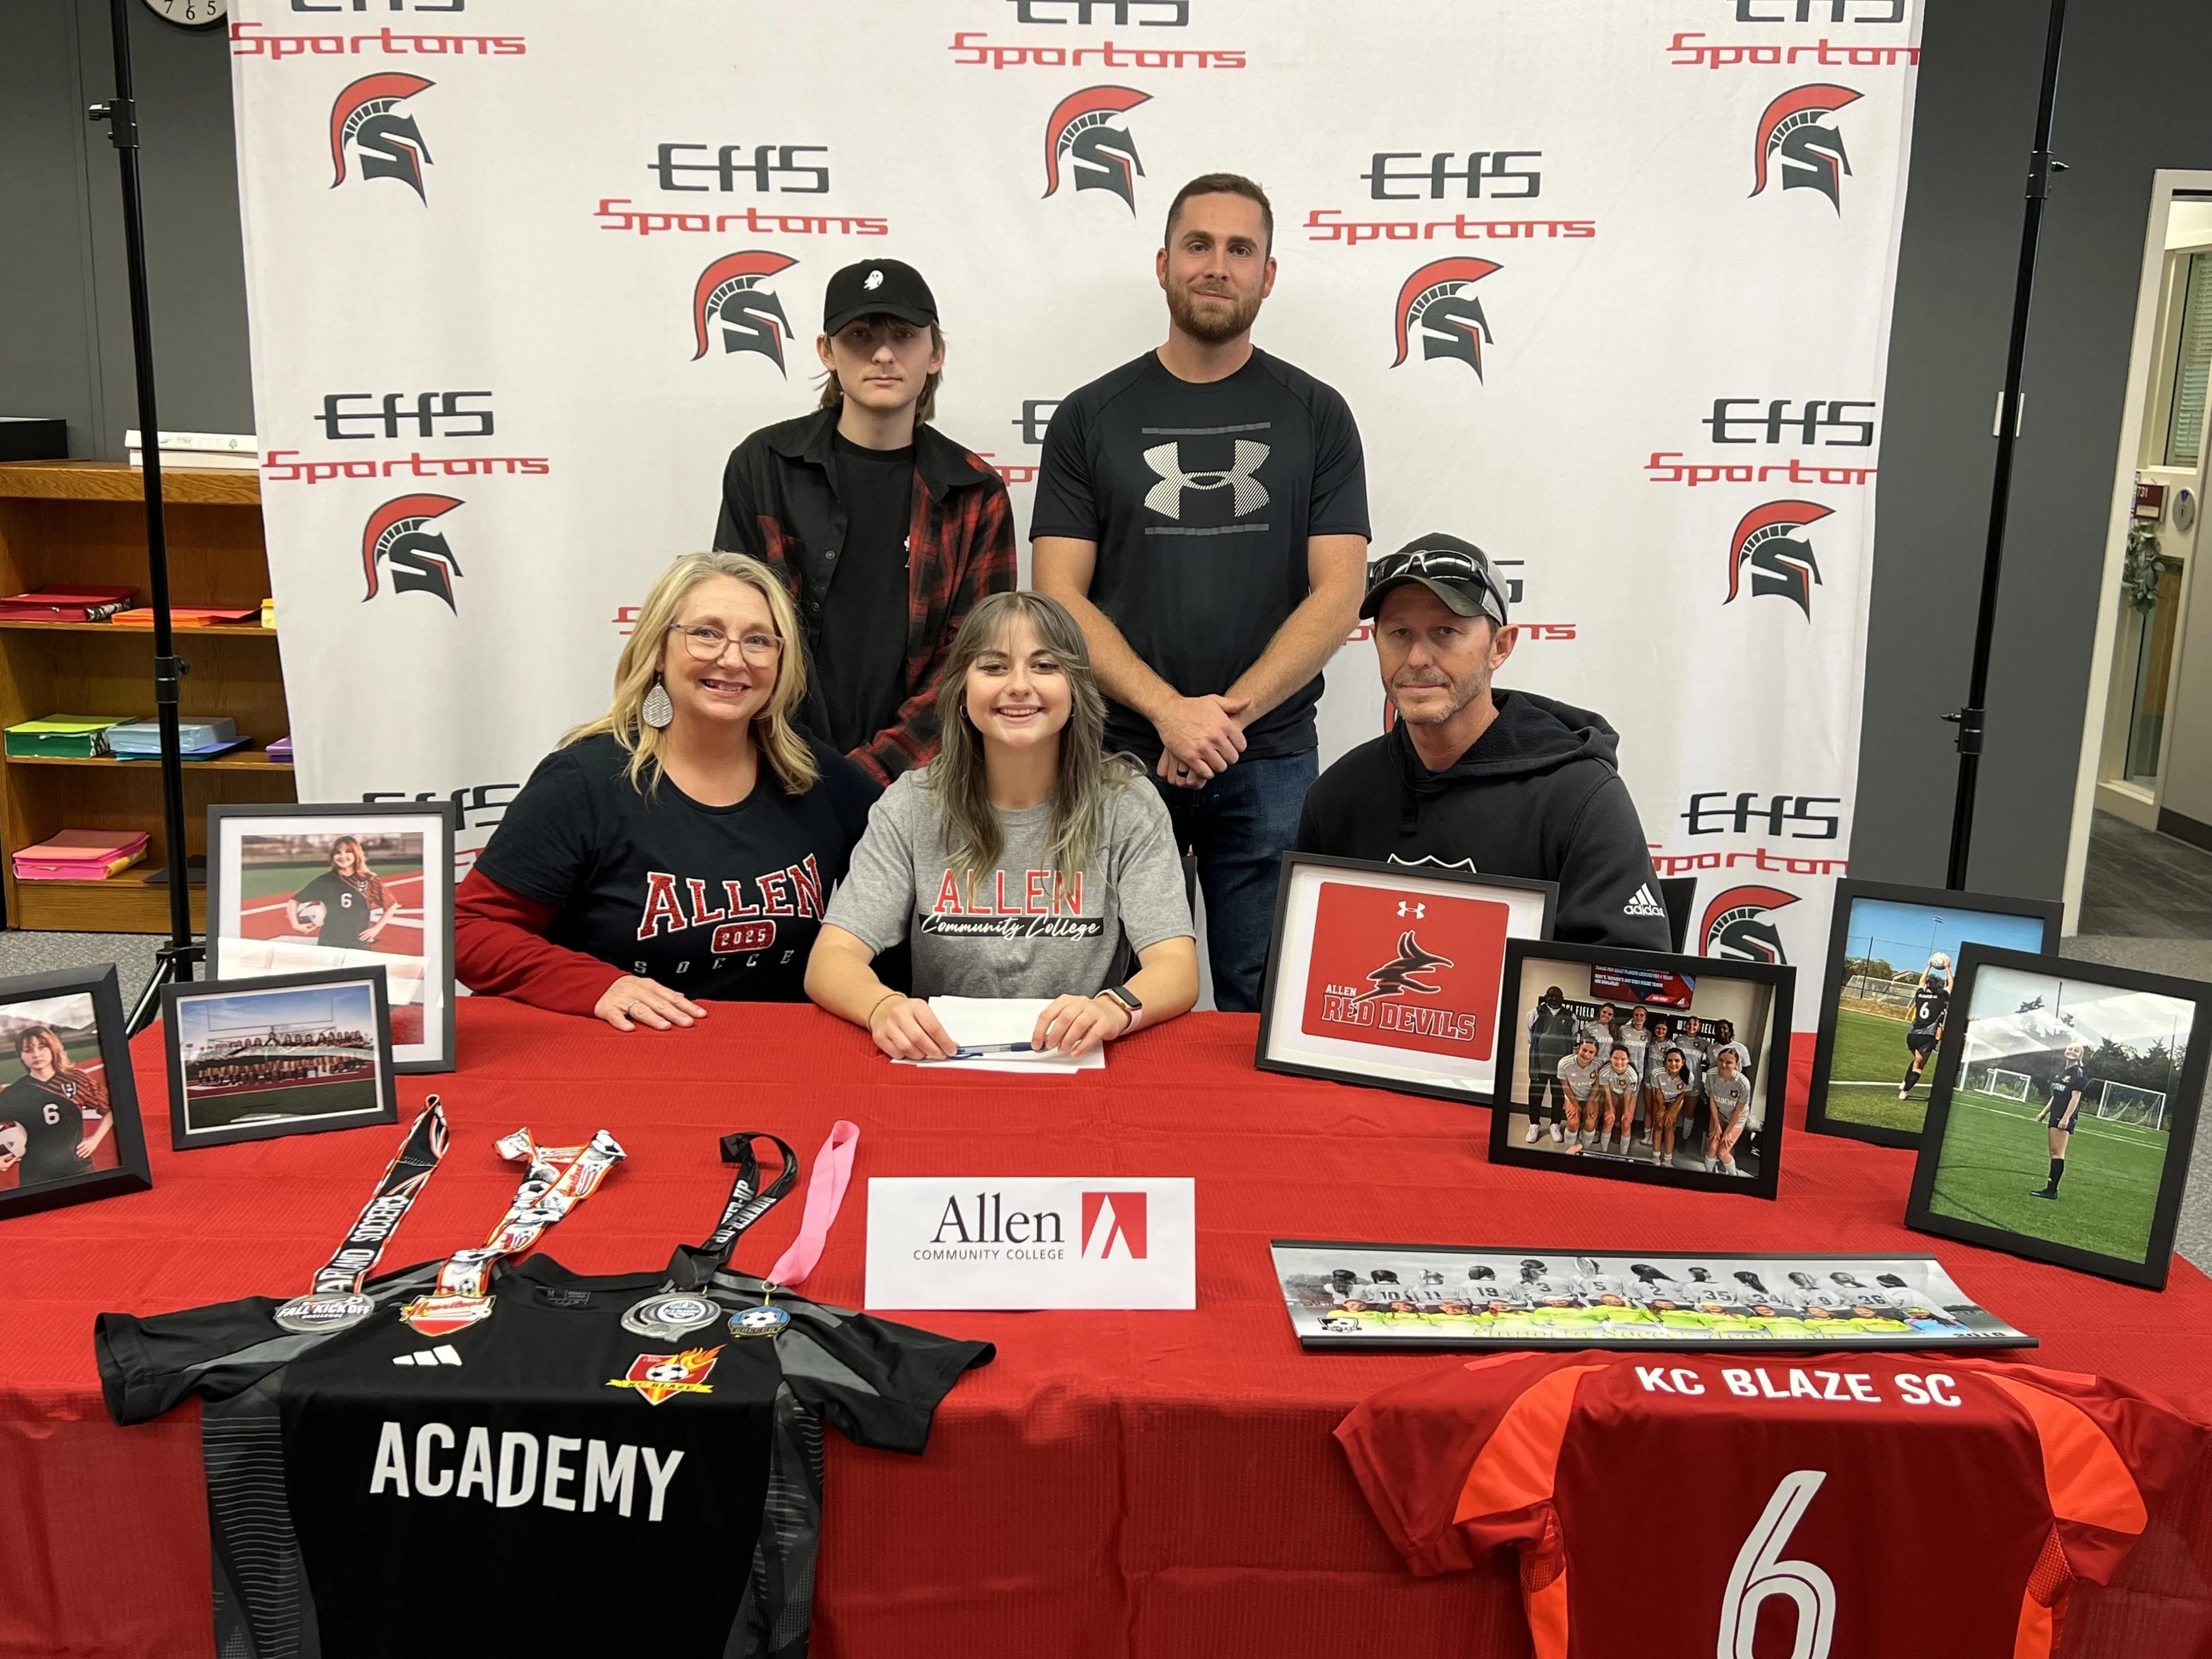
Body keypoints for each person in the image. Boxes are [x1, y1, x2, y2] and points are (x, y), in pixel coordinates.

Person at [1031, 173, 1370, 1011]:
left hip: (1272, 755)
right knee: (1099, 1000)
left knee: (1268, 1006)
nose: (1217, 266)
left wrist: (1224, 719)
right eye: (1199, 245)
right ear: (1163, 264)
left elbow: (1340, 592)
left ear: (1268, 274)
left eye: (1240, 249)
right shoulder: (1089, 416)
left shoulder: (1318, 415)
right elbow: (1057, 594)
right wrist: (1169, 713)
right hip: (1116, 756)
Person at [455, 552, 878, 1030]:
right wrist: (596, 985)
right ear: (658, 650)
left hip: (779, 1061)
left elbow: (908, 882)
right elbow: (469, 929)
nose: (733, 658)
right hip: (627, 1063)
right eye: (706, 633)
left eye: (758, 640)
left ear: (781, 663)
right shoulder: (584, 780)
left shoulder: (817, 775)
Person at [807, 591, 1198, 1060]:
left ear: (1076, 691)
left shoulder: (1127, 804)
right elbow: (831, 960)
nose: (1019, 686)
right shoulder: (912, 804)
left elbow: (1176, 966)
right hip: (946, 1062)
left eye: (1045, 666)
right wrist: (882, 1006)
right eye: (994, 667)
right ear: (960, 691)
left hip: (1076, 1060)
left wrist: (1116, 1008)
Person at [713, 258, 1016, 785]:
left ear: (935, 353)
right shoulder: (763, 465)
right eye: (859, 335)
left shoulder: (975, 491)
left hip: (920, 782)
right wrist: (792, 761)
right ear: (827, 352)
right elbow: (738, 634)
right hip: (771, 768)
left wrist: (869, 776)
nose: (882, 353)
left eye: (903, 334)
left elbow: (971, 662)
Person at [1293, 534, 1670, 948]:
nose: (1418, 659)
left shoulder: (1580, 795)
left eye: (1445, 631)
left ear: (1500, 647)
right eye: (1400, 633)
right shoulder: (1339, 795)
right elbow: (1295, 967)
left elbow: (1629, 980)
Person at [0, 1026, 112, 1186]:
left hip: (78, 1168)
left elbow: (112, 1108)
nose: (36, 1054)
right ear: (22, 1056)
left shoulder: (76, 1080)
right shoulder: (14, 1092)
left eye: (42, 1047)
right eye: (28, 1050)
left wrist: (95, 1140)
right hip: (35, 1175)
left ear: (53, 1049)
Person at [287, 836, 393, 950]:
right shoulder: (325, 881)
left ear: (356, 854)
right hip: (329, 942)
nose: (343, 856)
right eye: (338, 853)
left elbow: (392, 905)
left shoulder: (368, 880)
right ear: (333, 856)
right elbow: (294, 901)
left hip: (359, 942)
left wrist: (376, 929)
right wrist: (296, 925)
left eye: (348, 852)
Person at [2030, 1044, 2090, 1200]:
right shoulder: (2062, 1073)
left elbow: (2075, 1098)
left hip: (2063, 1117)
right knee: (2054, 1153)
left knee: (2058, 1154)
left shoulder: (2078, 1073)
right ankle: (2050, 1188)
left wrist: (2066, 1118)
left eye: (2076, 1051)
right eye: (2070, 1049)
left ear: (2081, 1056)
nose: (2072, 1052)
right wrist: (2044, 1112)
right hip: (2055, 1115)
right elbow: (2056, 1095)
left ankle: (2052, 1191)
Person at [1525, 985, 1578, 1141]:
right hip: (1539, 1064)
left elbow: (1573, 1038)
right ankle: (1534, 1125)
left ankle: (1555, 1125)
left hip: (1560, 1067)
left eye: (1557, 996)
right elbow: (1530, 1037)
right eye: (1550, 996)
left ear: (1562, 999)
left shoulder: (1571, 1017)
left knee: (1558, 1097)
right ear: (1546, 997)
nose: (1553, 999)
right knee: (1535, 1095)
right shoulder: (1535, 1013)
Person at [1898, 955, 1951, 1099]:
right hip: (1926, 1037)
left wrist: (1928, 966)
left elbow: (1921, 982)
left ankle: (1904, 1083)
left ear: (1928, 985)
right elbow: (1951, 985)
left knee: (1916, 1059)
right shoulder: (1942, 997)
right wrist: (1947, 968)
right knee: (1919, 1067)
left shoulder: (1920, 995)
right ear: (1939, 988)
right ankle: (1905, 1091)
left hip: (1912, 1035)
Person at [1704, 1046, 1755, 1176]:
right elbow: (1712, 1101)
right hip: (1719, 1115)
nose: (1724, 1064)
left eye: (1729, 1062)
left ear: (1737, 1065)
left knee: (1722, 1152)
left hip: (1736, 1118)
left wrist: (1727, 1132)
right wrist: (1716, 1124)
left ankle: (1734, 1175)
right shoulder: (1711, 1075)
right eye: (1721, 1060)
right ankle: (1708, 1175)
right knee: (1712, 1149)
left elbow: (1739, 1111)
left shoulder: (1743, 1084)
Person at [1553, 1037, 1603, 1153]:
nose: (1587, 1055)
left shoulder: (1599, 1064)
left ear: (1596, 1055)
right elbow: (1565, 1087)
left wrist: (1590, 1102)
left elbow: (1597, 1085)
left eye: (1591, 1052)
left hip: (1591, 1096)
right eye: (1584, 1050)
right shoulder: (1564, 1063)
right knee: (1573, 1123)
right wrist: (1575, 1104)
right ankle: (1570, 1151)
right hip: (1573, 1095)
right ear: (1577, 1049)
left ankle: (1585, 1151)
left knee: (1590, 1123)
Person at [1647, 1044, 1692, 1168]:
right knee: (1659, 1123)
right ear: (1665, 1062)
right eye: (1670, 1060)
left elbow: (1682, 1095)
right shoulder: (1657, 1073)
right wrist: (1661, 1109)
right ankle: (1655, 1156)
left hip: (1676, 1100)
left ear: (1683, 1062)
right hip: (1661, 1099)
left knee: (1669, 1125)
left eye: (1677, 1061)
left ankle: (1668, 1159)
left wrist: (1671, 1112)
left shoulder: (1689, 1076)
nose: (1673, 1064)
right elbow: (1658, 1093)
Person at [1595, 1043, 1641, 1156]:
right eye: (1616, 1058)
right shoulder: (1604, 1072)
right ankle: (1603, 1153)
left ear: (1628, 1060)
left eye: (1623, 1059)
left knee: (1626, 1122)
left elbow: (1628, 1095)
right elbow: (1607, 1092)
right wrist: (1611, 1109)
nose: (1619, 1062)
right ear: (1610, 1058)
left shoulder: (1632, 1075)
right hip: (1613, 1092)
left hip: (1629, 1094)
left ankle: (1623, 1156)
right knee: (1609, 1119)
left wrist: (1627, 1113)